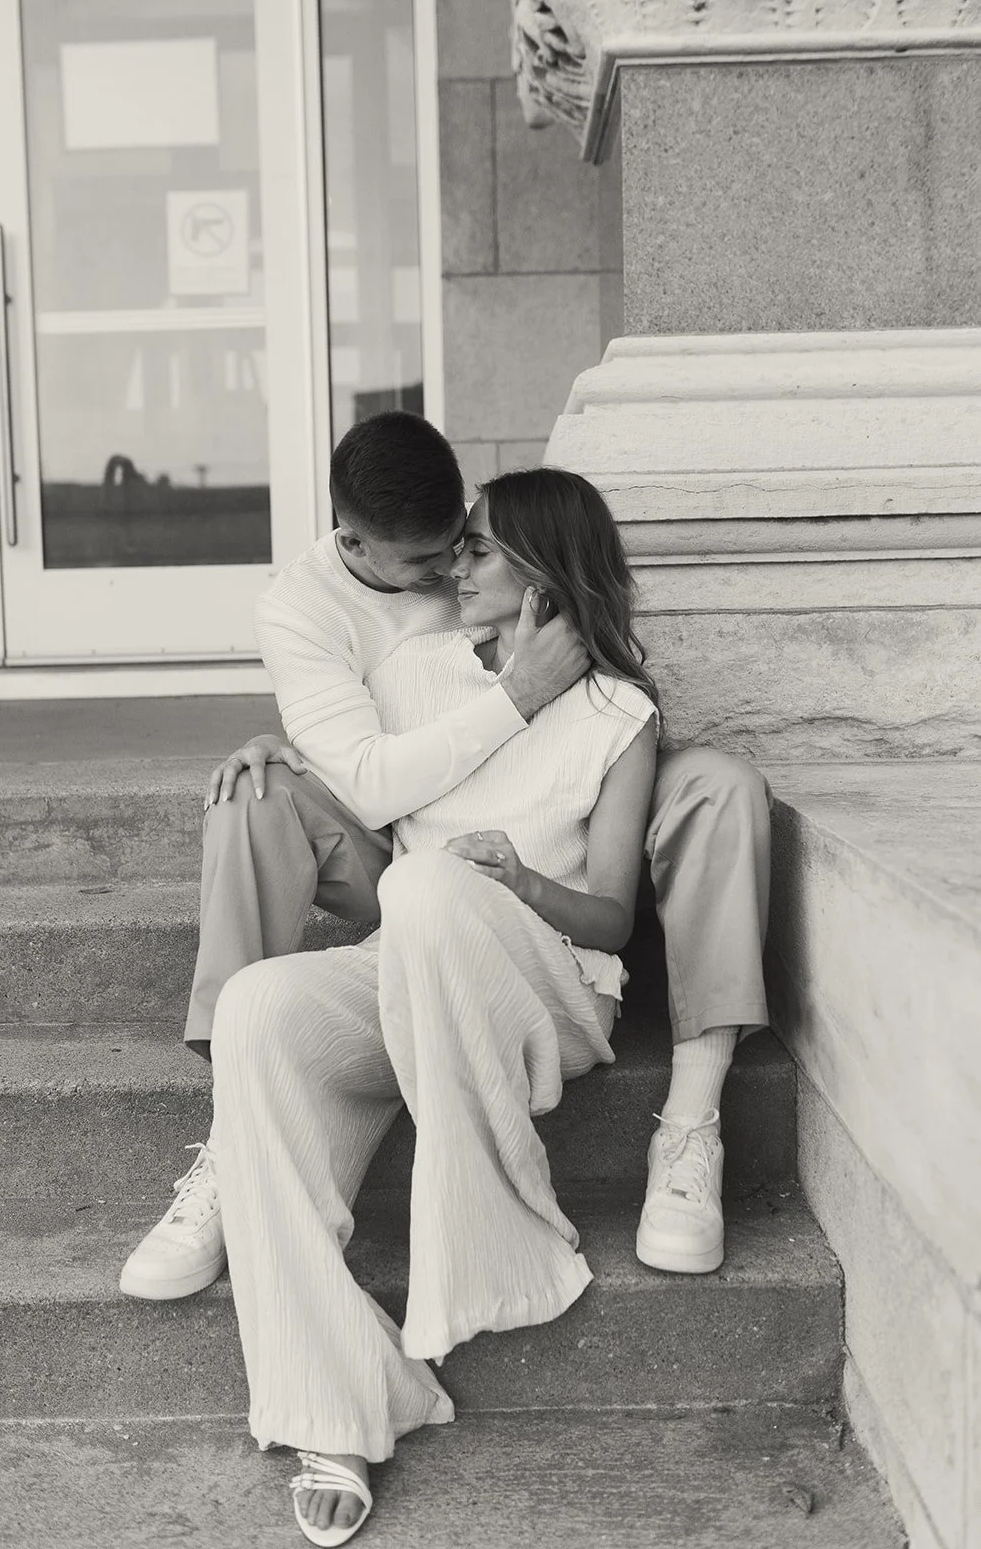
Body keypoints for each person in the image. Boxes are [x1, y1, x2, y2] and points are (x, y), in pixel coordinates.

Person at [119, 413, 770, 1305]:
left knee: (722, 784)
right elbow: (374, 774)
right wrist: (308, 745)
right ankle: (238, 1135)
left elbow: (584, 667)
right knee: (253, 798)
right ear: (353, 540)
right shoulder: (309, 611)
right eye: (431, 560)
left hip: (540, 844)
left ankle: (691, 1121)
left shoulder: (519, 592)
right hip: (405, 832)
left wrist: (561, 728)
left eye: (465, 543)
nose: (449, 570)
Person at [213, 467, 661, 1542]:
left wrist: (516, 883)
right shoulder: (414, 670)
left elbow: (610, 920)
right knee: (256, 1008)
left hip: (546, 989)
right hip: (412, 970)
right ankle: (340, 1400)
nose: (451, 566)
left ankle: (485, 1240)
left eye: (477, 549)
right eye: (454, 547)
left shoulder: (617, 713)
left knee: (424, 884)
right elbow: (356, 774)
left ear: (547, 570)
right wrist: (271, 747)